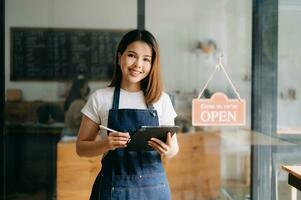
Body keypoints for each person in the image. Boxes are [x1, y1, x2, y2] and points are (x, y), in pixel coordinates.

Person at [76, 29, 179, 200]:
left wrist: (168, 150)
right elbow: (81, 148)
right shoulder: (100, 97)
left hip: (153, 190)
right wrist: (106, 144)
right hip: (112, 189)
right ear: (119, 57)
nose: (138, 64)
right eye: (132, 55)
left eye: (146, 59)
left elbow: (174, 148)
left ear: (153, 64)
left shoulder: (162, 99)